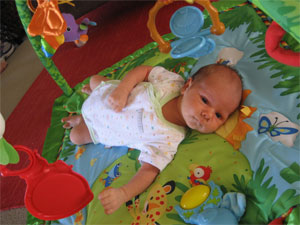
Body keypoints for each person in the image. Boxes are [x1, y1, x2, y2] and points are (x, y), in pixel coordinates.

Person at [62, 63, 243, 214]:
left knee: (75, 137)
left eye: (219, 115)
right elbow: (145, 71)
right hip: (112, 93)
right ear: (187, 87)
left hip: (99, 129)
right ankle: (93, 94)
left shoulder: (171, 138)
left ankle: (80, 119)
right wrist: (123, 89)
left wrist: (124, 193)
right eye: (205, 100)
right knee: (95, 79)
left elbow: (149, 170)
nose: (207, 115)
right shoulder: (171, 83)